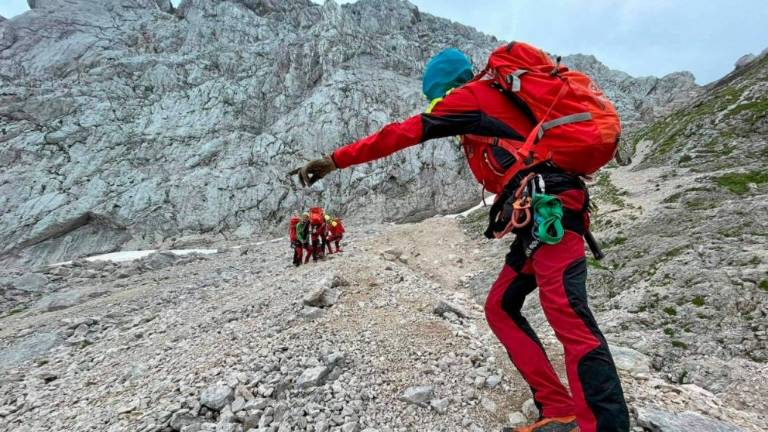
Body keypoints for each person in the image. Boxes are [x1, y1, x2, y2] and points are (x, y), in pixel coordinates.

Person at [291, 45, 629, 432]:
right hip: (537, 218)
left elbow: (401, 133)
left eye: (434, 97)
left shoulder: (471, 97)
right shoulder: (489, 100)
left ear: (447, 87)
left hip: (551, 212)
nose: (435, 105)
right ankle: (557, 407)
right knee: (500, 307)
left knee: (569, 317)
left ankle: (605, 426)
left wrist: (335, 160)